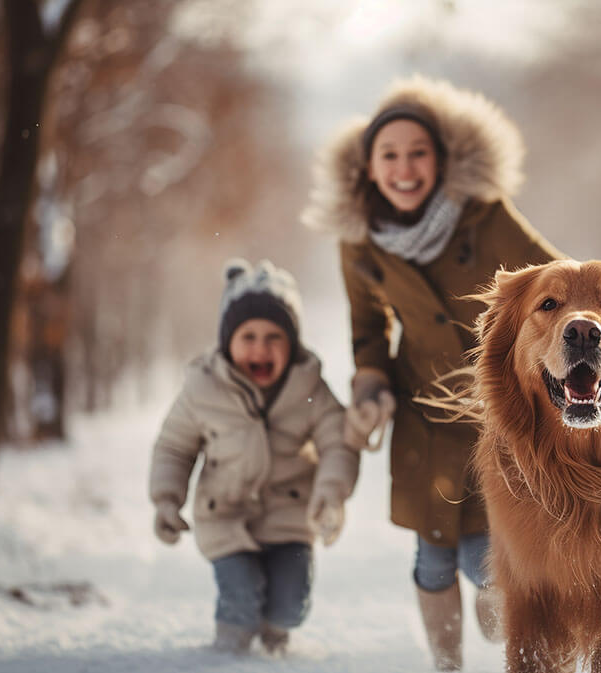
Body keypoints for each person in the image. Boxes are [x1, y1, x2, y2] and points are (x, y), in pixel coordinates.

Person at [302, 75, 562, 671]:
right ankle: (446, 666)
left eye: (418, 152)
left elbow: (555, 281)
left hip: (499, 407)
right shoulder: (360, 240)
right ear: (369, 167)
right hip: (422, 409)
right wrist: (370, 384)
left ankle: (508, 609)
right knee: (432, 553)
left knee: (490, 549)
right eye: (389, 155)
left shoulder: (484, 215)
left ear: (441, 159)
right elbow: (369, 328)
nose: (404, 167)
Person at [149, 258, 360, 655]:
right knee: (241, 596)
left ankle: (275, 632)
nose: (260, 349)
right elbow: (174, 447)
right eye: (248, 336)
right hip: (224, 515)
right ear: (227, 341)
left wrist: (331, 492)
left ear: (292, 343)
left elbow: (338, 442)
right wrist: (165, 499)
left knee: (291, 605)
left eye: (274, 337)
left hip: (291, 516)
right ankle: (230, 646)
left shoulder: (308, 386)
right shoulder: (203, 389)